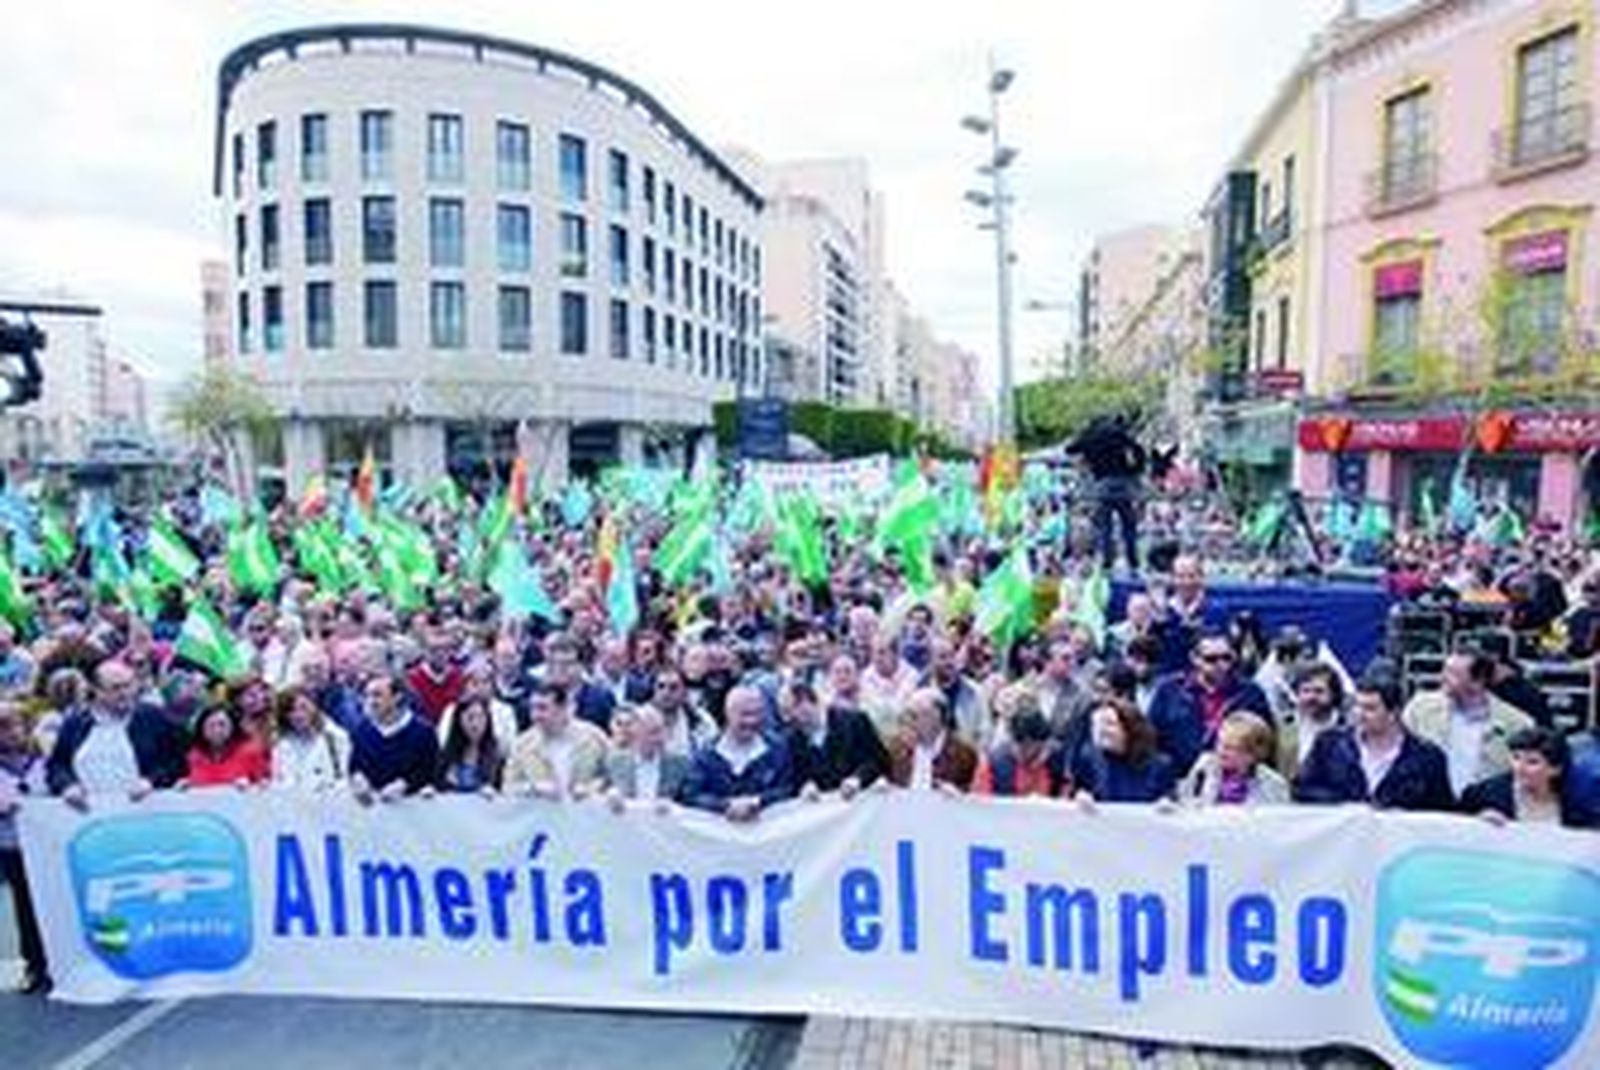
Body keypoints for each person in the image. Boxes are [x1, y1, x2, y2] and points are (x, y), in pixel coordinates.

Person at [1294, 676, 1455, 811]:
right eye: (1356, 706)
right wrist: (1343, 805)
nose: (1359, 714)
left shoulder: (1428, 758)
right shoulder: (1328, 744)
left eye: (1369, 708)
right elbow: (1302, 789)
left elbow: (1441, 812)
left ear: (1394, 713)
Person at [47, 659, 186, 804]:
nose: (124, 693)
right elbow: (57, 765)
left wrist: (151, 782)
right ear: (97, 690)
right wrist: (67, 786)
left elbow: (175, 764)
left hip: (143, 810)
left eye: (128, 685)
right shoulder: (75, 723)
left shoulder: (154, 717)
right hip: (86, 813)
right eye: (116, 688)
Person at [1402, 651, 1535, 797]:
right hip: (1427, 805)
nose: (1442, 678)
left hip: (1485, 810)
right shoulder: (1419, 709)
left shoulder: (1517, 724)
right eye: (1444, 670)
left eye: (1453, 674)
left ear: (1477, 682)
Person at [1146, 632, 1272, 778]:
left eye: (1226, 658)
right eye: (1211, 659)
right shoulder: (1168, 690)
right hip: (1178, 779)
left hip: (1235, 782)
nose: (1221, 665)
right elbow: (1151, 738)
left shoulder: (1251, 693)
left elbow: (1263, 742)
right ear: (1194, 659)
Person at [683, 685, 794, 820]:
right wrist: (725, 806)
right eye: (745, 714)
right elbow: (692, 796)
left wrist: (757, 802)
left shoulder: (778, 749)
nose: (752, 720)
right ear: (728, 713)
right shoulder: (706, 754)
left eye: (757, 713)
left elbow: (787, 789)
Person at [0, 701, 48, 993]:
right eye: (2, 728)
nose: (8, 733)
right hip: (13, 845)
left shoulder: (45, 759)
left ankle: (62, 961)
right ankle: (34, 964)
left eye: (13, 725)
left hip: (49, 844)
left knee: (56, 902)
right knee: (26, 905)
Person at [1461, 727, 1592, 828]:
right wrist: (1476, 823)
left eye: (1532, 762)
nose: (1519, 768)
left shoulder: (1575, 802)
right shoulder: (1484, 795)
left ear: (1555, 769)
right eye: (1516, 758)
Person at [1064, 412, 1146, 571]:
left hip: (1102, 482)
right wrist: (1135, 470)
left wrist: (1085, 447)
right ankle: (1133, 560)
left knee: (1105, 526)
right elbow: (1138, 449)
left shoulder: (1090, 435)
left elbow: (1070, 449)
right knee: (1128, 524)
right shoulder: (1117, 433)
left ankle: (1107, 562)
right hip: (1122, 481)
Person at [503, 681, 610, 799]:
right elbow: (508, 789)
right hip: (539, 813)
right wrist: (533, 789)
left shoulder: (594, 738)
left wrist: (590, 789)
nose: (535, 715)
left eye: (542, 708)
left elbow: (614, 780)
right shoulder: (522, 745)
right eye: (532, 708)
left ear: (562, 709)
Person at [782, 680, 890, 796]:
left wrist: (858, 778)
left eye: (791, 709)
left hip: (864, 797)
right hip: (826, 805)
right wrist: (807, 786)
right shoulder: (794, 738)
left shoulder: (853, 721)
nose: (788, 718)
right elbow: (799, 776)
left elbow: (879, 761)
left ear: (806, 702)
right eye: (785, 712)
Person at [348, 674, 440, 802]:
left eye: (377, 695)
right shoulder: (363, 729)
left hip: (412, 812)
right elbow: (355, 764)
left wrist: (405, 785)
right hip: (371, 812)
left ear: (397, 697)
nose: (370, 701)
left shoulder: (424, 732)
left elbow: (429, 773)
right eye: (367, 695)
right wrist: (359, 778)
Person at [1070, 698, 1176, 803]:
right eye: (1099, 724)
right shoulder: (1089, 762)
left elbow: (1169, 801)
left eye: (1110, 724)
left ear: (1129, 728)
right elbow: (1077, 794)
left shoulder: (1160, 766)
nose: (1103, 730)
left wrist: (1165, 804)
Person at [1179, 711, 1289, 806]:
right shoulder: (1205, 767)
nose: (1222, 752)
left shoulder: (1274, 784)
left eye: (1231, 748)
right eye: (1220, 744)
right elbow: (1187, 800)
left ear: (1251, 755)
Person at [887, 687, 978, 792]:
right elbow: (889, 783)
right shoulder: (897, 749)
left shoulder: (963, 753)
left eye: (919, 715)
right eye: (911, 715)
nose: (913, 722)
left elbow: (973, 796)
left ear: (938, 717)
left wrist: (958, 796)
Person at [972, 705, 1069, 798]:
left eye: (1032, 743)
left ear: (1042, 742)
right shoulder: (993, 765)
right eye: (1019, 741)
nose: (1026, 749)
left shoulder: (1057, 765)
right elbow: (981, 801)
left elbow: (1067, 797)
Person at [605, 704, 692, 805]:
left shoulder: (680, 764)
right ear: (636, 734)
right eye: (653, 733)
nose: (660, 738)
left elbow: (687, 801)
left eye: (662, 731)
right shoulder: (615, 761)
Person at [272, 687, 349, 792]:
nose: (298, 715)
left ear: (314, 707)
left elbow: (342, 779)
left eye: (303, 707)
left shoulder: (336, 738)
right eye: (291, 710)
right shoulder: (281, 744)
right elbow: (279, 782)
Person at [184, 705, 271, 788]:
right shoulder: (193, 756)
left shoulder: (251, 752)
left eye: (222, 725)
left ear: (232, 726)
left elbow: (265, 785)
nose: (217, 730)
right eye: (211, 725)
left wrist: (251, 785)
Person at [436, 697, 505, 793]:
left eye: (480, 718)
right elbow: (438, 787)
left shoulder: (497, 755)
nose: (475, 724)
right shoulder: (446, 755)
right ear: (459, 720)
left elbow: (504, 790)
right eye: (470, 718)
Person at [859, 636, 919, 740]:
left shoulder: (912, 676)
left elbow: (904, 711)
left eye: (882, 652)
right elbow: (872, 716)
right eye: (873, 653)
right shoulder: (864, 678)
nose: (876, 658)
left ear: (895, 654)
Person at [406, 625, 465, 725]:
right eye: (434, 650)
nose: (440, 654)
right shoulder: (412, 679)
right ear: (423, 650)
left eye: (446, 649)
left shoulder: (459, 675)